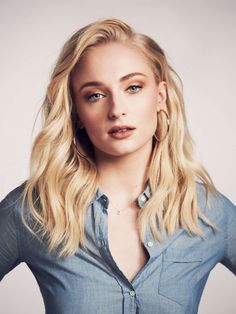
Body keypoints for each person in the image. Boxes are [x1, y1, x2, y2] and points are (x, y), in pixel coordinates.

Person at [0, 18, 235, 314]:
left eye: (133, 87)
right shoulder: (35, 210)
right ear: (76, 113)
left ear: (160, 97)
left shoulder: (206, 211)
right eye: (95, 95)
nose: (116, 109)